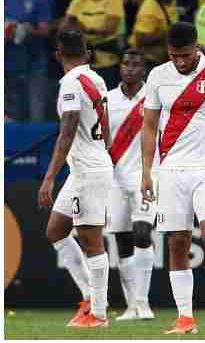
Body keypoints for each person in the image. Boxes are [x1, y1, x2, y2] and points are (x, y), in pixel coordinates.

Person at [140, 22, 205, 335]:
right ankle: (185, 318)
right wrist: (147, 172)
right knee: (177, 242)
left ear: (197, 47)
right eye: (174, 55)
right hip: (170, 169)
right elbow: (148, 126)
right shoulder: (158, 76)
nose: (180, 62)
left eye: (185, 55)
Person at [39, 29, 113, 328]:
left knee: (91, 240)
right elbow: (105, 126)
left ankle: (99, 313)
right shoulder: (97, 79)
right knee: (56, 230)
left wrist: (49, 177)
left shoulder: (71, 83)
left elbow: (68, 131)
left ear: (58, 56)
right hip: (89, 165)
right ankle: (89, 298)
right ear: (89, 54)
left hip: (87, 169)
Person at [103, 50, 155, 321]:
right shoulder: (108, 100)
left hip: (147, 176)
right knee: (122, 240)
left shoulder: (154, 98)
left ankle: (144, 303)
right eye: (126, 64)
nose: (130, 69)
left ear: (144, 70)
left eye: (136, 65)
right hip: (115, 178)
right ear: (120, 67)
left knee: (143, 234)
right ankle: (132, 306)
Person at [5, 0, 52, 120]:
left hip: (35, 64)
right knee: (12, 116)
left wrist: (28, 30)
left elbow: (45, 30)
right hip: (10, 66)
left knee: (36, 115)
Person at [129, 0, 178, 66]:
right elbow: (141, 38)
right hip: (148, 61)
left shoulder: (170, 1)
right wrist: (167, 33)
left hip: (162, 59)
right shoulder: (149, 9)